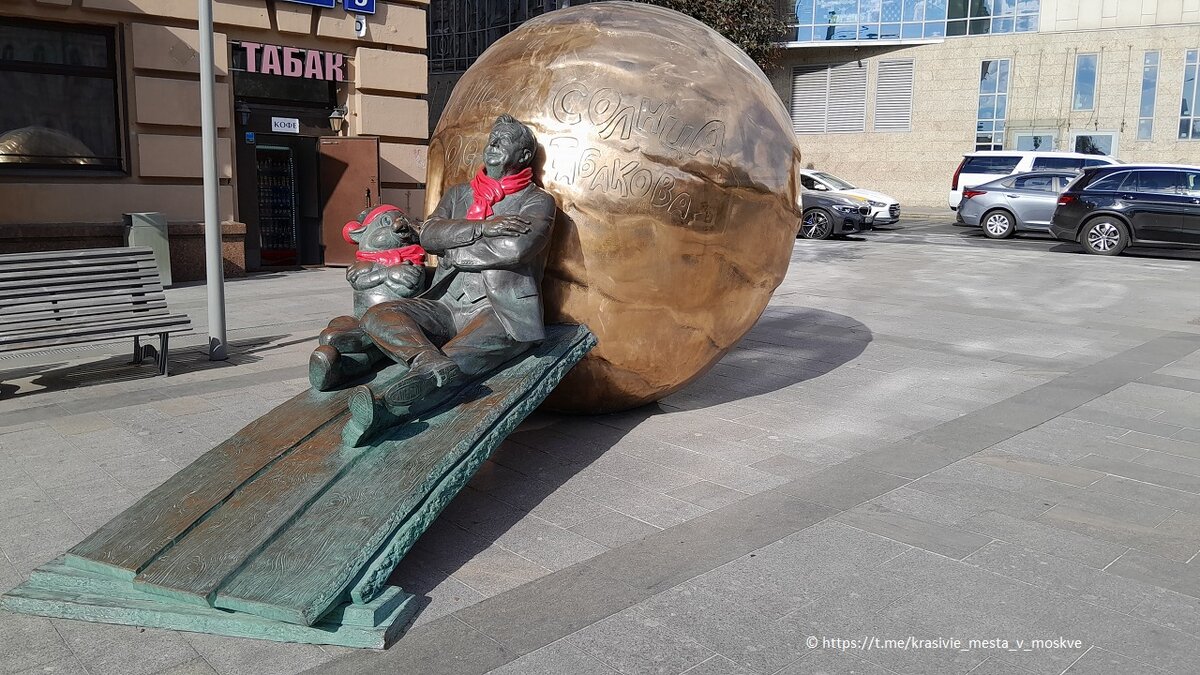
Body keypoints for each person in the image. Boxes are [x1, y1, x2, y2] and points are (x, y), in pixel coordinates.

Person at [310, 114, 557, 444]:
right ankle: (418, 361)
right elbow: (429, 234)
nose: (494, 144)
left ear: (525, 156)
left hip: (499, 312)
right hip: (446, 303)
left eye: (504, 140)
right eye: (492, 138)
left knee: (456, 360)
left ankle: (384, 409)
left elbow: (515, 248)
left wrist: (457, 253)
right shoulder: (459, 195)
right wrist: (482, 229)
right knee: (380, 315)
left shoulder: (537, 201)